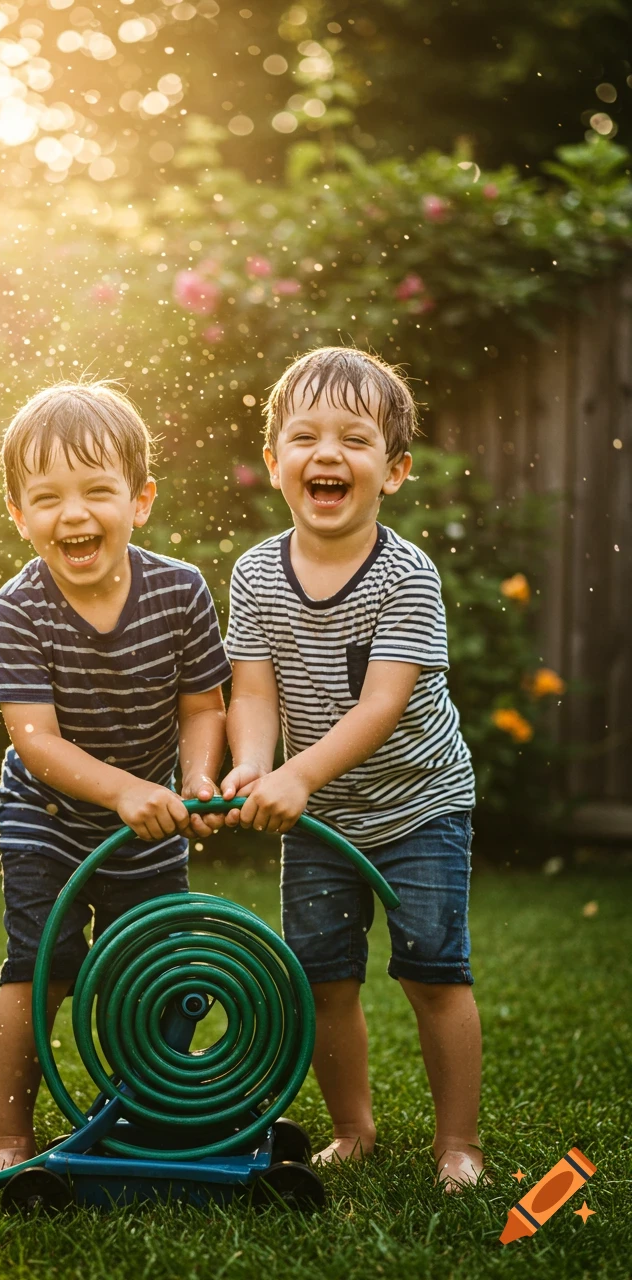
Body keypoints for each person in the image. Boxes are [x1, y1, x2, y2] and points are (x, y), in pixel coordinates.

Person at [220, 347, 483, 1189]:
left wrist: (296, 778)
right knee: (323, 977)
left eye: (354, 439)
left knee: (434, 973)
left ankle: (459, 1146)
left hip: (420, 805)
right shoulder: (257, 573)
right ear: (274, 464)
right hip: (323, 814)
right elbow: (253, 692)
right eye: (304, 436)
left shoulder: (406, 576)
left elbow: (383, 706)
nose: (326, 453)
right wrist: (258, 766)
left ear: (394, 470)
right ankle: (354, 1130)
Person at [0, 380, 230, 1174]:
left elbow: (202, 706)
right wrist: (121, 790)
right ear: (20, 516)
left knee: (162, 967)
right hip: (44, 816)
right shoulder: (16, 608)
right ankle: (10, 1140)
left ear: (140, 500)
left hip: (151, 819)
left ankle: (144, 1116)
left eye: (96, 491)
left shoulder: (180, 590)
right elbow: (33, 739)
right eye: (47, 498)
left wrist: (192, 784)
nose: (74, 514)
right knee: (39, 966)